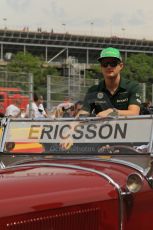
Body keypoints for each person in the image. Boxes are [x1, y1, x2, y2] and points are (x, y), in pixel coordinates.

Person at [79, 47, 142, 118]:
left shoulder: (132, 87)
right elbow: (83, 113)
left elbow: (134, 113)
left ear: (121, 66)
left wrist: (113, 112)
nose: (108, 67)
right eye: (104, 64)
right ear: (101, 67)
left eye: (113, 63)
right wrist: (72, 124)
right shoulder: (93, 90)